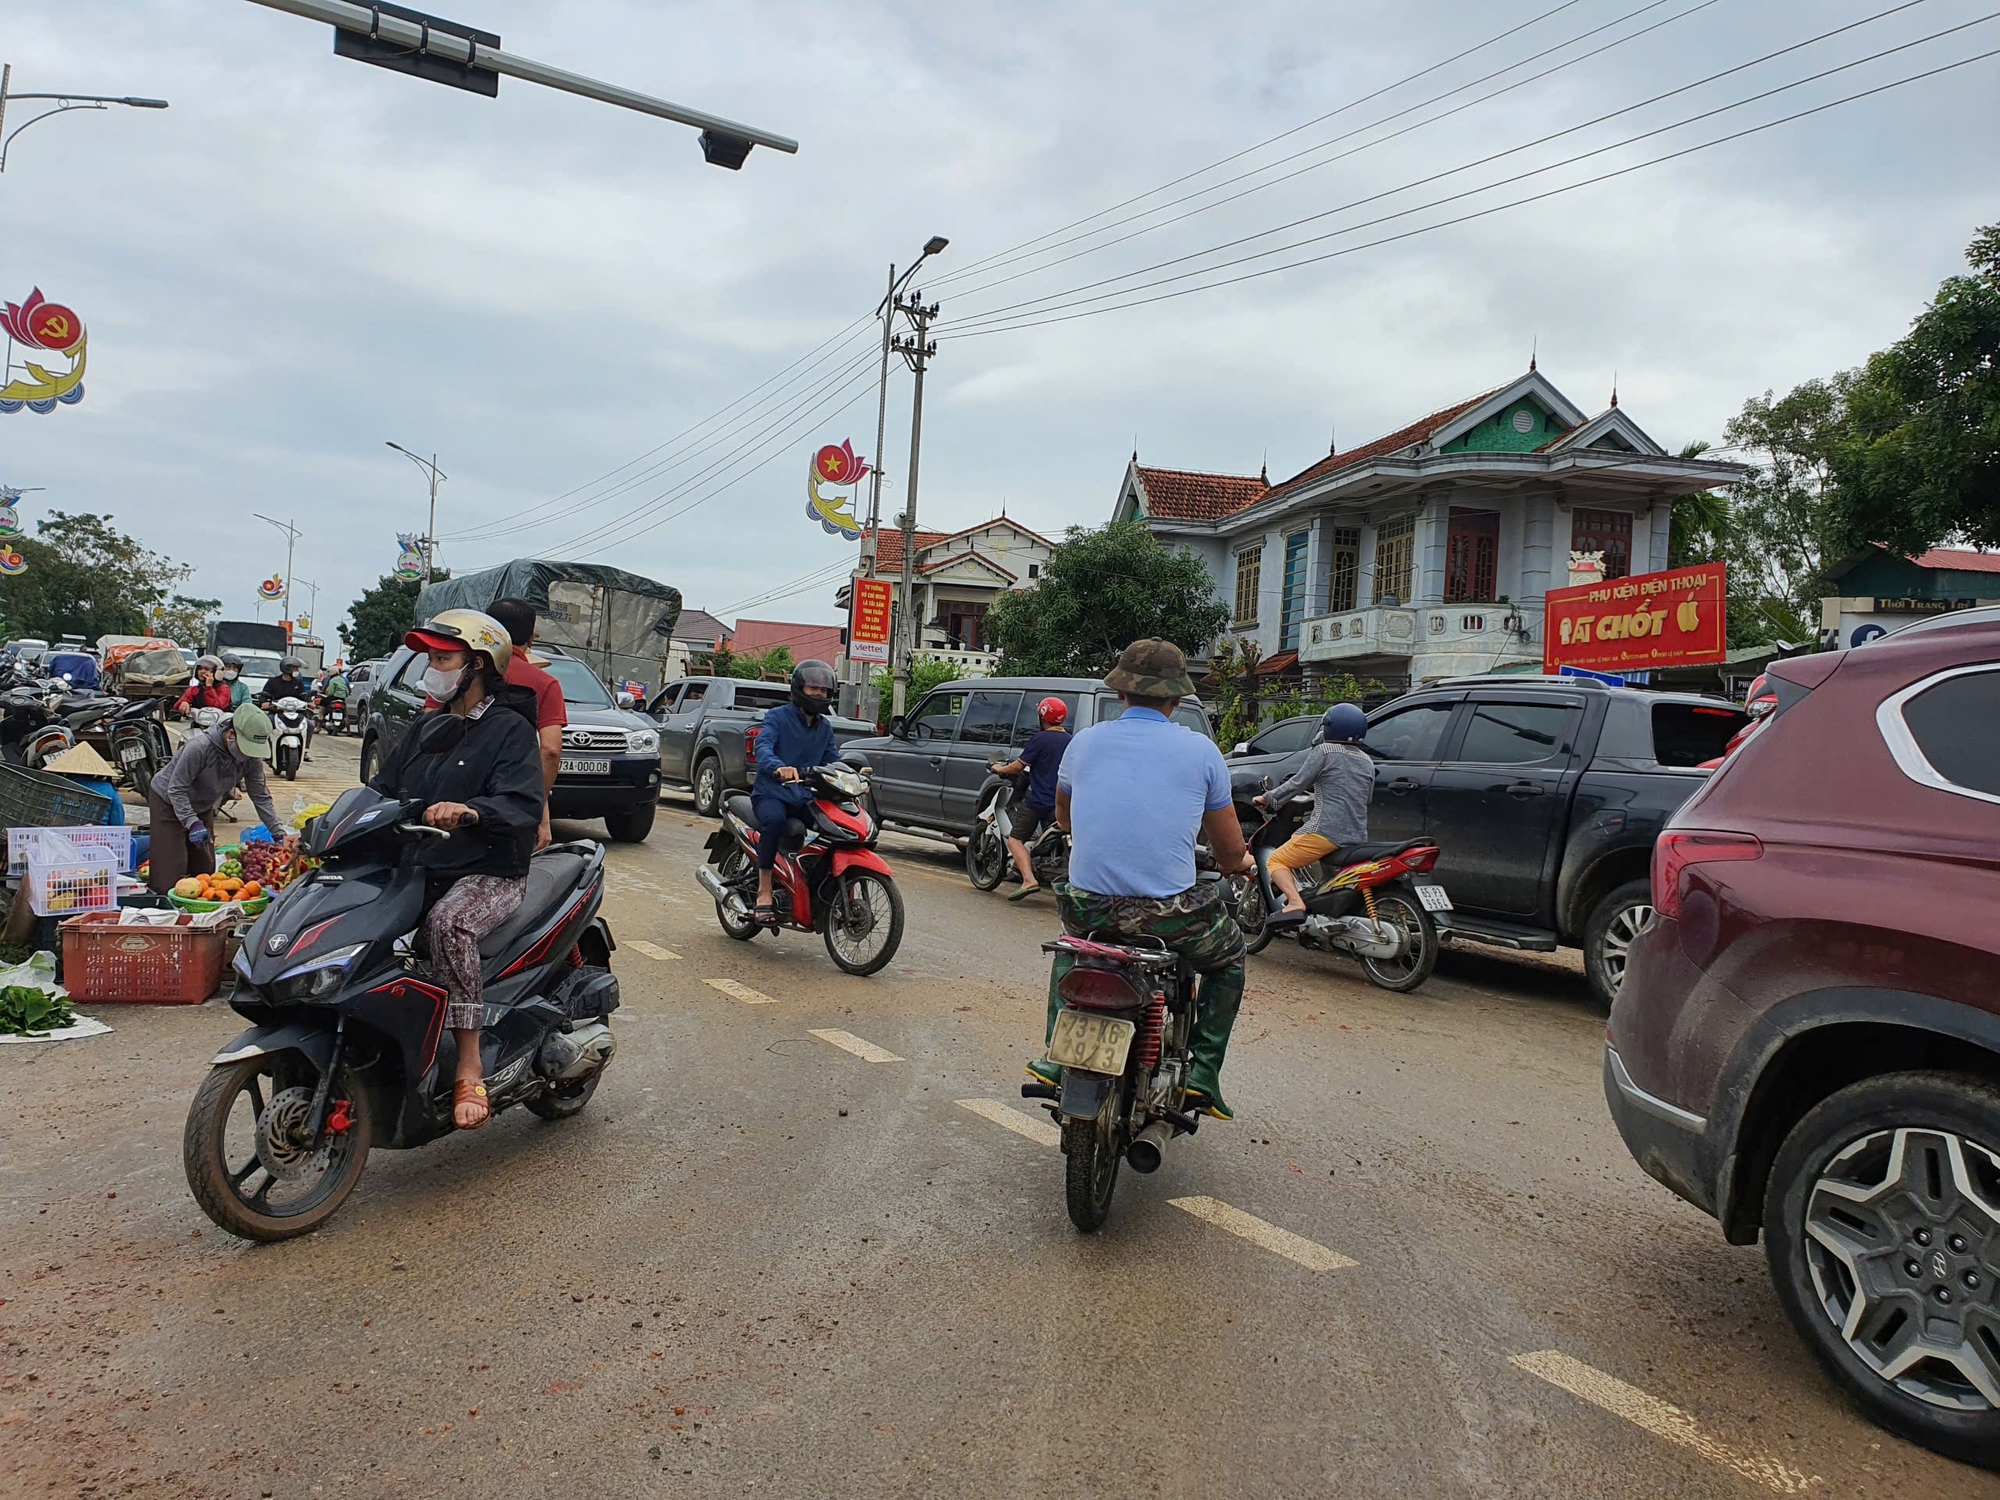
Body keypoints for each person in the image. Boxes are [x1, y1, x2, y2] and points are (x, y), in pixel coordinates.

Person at [1030, 640, 1254, 1120]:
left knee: (1077, 946)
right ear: (1176, 700)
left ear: (1121, 694)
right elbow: (1230, 850)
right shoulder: (1201, 751)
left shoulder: (1083, 742)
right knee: (1230, 958)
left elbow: (1064, 820)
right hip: (1168, 917)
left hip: (1088, 906)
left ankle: (1054, 1055)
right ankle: (1203, 1074)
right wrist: (1239, 866)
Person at [368, 609, 544, 1131]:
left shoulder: (511, 730)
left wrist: (471, 811)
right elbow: (383, 787)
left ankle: (468, 1062)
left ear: (479, 665)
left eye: (443, 658)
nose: (432, 667)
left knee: (450, 924)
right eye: (430, 658)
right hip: (422, 861)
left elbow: (523, 806)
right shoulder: (426, 725)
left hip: (488, 868)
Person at [1252, 702, 1376, 916]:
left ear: (1329, 727)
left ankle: (1294, 902)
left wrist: (1268, 798)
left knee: (1276, 861)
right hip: (1356, 836)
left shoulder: (1325, 751)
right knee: (1329, 878)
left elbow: (1297, 783)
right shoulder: (1366, 761)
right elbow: (1366, 798)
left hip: (1325, 832)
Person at [147, 702, 282, 894]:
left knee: (204, 869)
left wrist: (278, 832)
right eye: (244, 748)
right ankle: (166, 907)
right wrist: (191, 822)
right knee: (170, 871)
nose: (246, 756)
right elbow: (176, 789)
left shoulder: (251, 759)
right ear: (231, 734)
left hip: (203, 804)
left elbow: (260, 796)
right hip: (168, 800)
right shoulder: (199, 748)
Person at [749, 659, 839, 924]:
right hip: (772, 794)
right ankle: (764, 890)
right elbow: (762, 746)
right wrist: (779, 767)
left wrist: (851, 772)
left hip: (803, 797)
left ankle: (809, 880)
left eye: (823, 690)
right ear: (799, 688)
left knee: (835, 827)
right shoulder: (777, 717)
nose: (819, 694)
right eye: (813, 688)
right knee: (775, 821)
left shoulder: (825, 727)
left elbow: (833, 759)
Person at [485, 598, 567, 852]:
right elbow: (550, 751)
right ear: (531, 638)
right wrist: (538, 805)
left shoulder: (463, 671)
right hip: (511, 800)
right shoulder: (545, 683)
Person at [986, 695, 1071, 901]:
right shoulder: (1072, 740)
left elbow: (1018, 766)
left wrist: (999, 768)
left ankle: (1028, 880)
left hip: (1039, 801)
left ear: (1042, 717)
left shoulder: (1040, 739)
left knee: (1015, 839)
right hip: (1064, 802)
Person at [256, 656, 317, 761]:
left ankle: (305, 751)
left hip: (296, 713)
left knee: (310, 724)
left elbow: (303, 696)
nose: (297, 671)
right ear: (287, 668)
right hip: (276, 713)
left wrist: (309, 702)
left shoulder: (298, 683)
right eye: (295, 669)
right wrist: (264, 702)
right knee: (266, 722)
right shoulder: (273, 682)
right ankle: (266, 749)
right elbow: (264, 695)